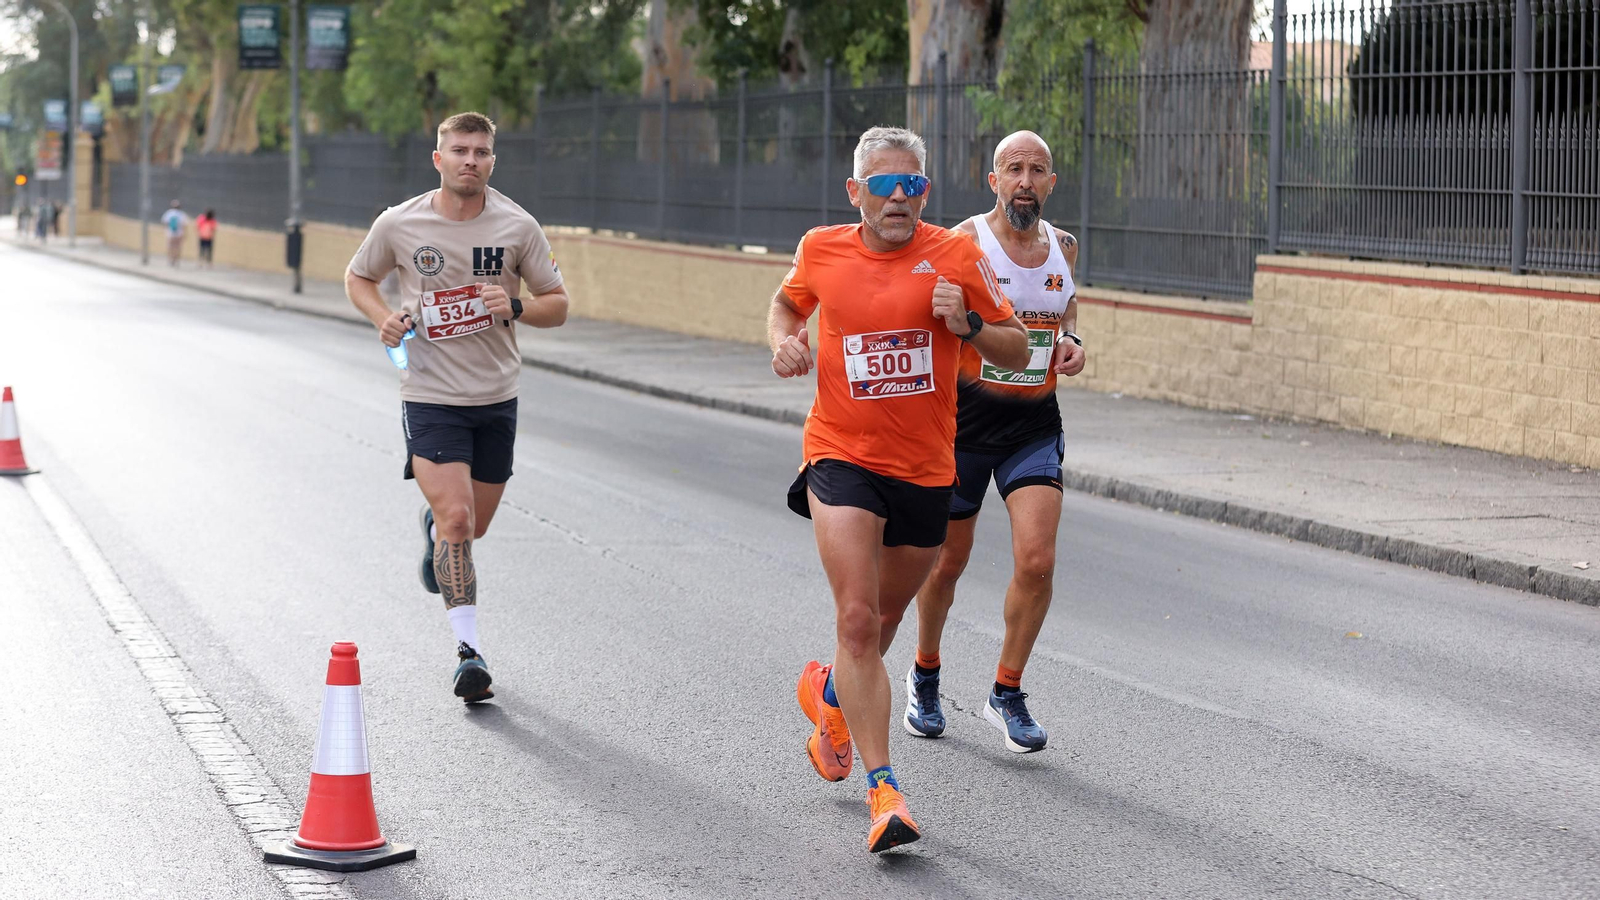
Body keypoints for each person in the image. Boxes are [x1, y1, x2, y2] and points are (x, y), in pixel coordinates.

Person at [770, 125, 1031, 853]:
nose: (900, 199)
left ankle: (827, 697)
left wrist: (970, 323)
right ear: (856, 192)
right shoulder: (822, 248)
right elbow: (788, 307)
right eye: (885, 185)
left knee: (881, 623)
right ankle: (886, 790)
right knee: (857, 619)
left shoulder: (953, 254)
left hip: (924, 469)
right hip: (839, 455)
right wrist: (783, 342)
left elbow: (1015, 348)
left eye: (913, 185)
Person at [345, 111, 569, 703]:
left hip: (496, 397)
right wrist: (383, 319)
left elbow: (558, 303)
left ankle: (435, 530)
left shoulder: (518, 227)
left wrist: (515, 308)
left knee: (475, 526)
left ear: (493, 160)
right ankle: (468, 653)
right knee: (460, 521)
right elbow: (359, 277)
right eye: (460, 149)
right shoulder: (400, 223)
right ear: (438, 158)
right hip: (429, 395)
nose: (471, 160)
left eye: (482, 152)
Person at [906, 131, 1086, 754]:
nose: (1026, 181)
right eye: (1015, 169)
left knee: (1037, 560)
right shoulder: (963, 244)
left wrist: (1073, 345)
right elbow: (930, 319)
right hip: (961, 430)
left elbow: (1065, 320)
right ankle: (925, 676)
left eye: (1038, 170)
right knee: (946, 563)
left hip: (1032, 429)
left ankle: (1005, 692)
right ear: (994, 180)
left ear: (1051, 183)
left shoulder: (1063, 247)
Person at [161, 200, 187, 267]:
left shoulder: (169, 213)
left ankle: (170, 260)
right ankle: (176, 260)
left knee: (170, 247)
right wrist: (184, 234)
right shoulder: (182, 214)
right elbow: (184, 225)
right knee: (177, 248)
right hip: (179, 233)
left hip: (170, 233)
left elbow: (165, 223)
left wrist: (166, 230)